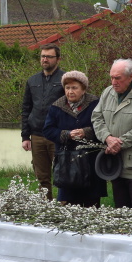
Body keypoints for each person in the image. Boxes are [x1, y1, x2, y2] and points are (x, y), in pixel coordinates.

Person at [92, 58, 132, 210]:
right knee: (120, 210)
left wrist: (118, 143)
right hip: (115, 162)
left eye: (118, 78)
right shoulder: (107, 92)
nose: (113, 82)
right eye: (112, 77)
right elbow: (96, 117)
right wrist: (107, 138)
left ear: (131, 76)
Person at [43, 71, 107, 207]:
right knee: (69, 207)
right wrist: (66, 134)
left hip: (91, 162)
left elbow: (105, 125)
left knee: (91, 205)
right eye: (67, 88)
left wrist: (86, 132)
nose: (70, 91)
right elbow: (48, 130)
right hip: (67, 163)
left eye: (74, 88)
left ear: (83, 89)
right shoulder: (56, 107)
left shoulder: (95, 104)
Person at [21, 44, 65, 199]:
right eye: (42, 56)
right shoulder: (32, 80)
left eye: (49, 56)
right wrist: (25, 136)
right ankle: (45, 209)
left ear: (58, 59)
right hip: (37, 135)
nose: (45, 59)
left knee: (62, 174)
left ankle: (65, 207)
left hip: (58, 135)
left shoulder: (65, 80)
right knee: (42, 177)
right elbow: (26, 108)